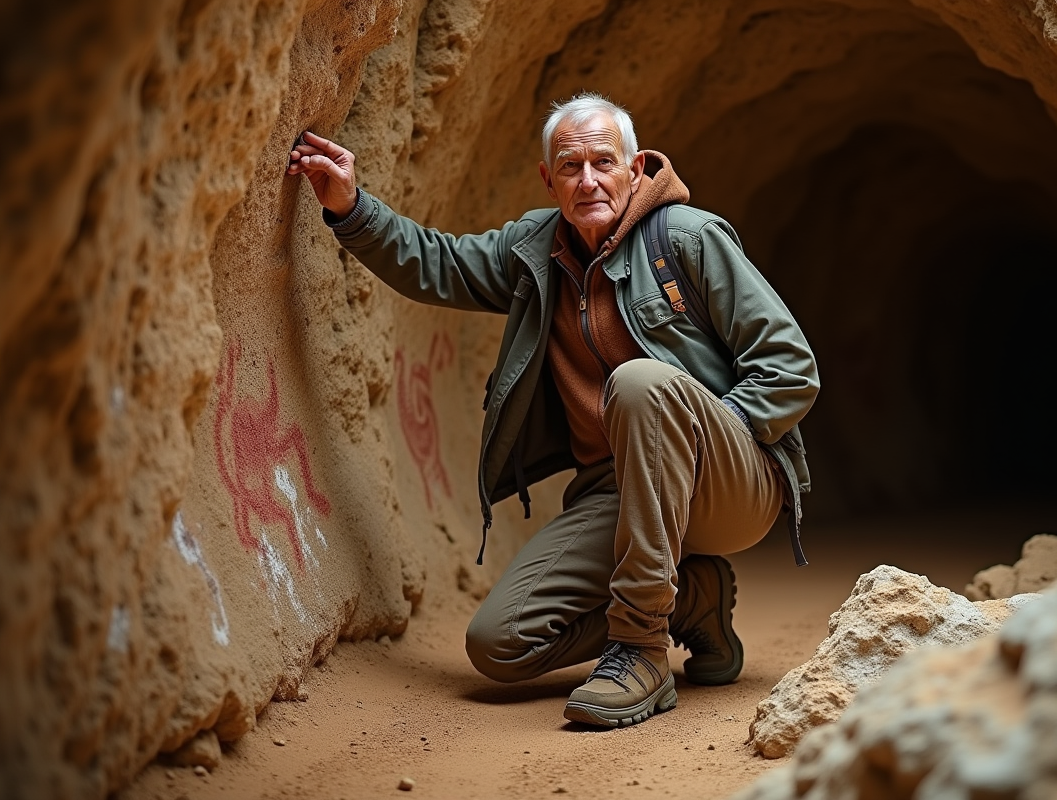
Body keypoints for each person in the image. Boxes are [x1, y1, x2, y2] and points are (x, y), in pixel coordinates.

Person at [286, 92, 818, 728]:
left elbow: (791, 368)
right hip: (615, 490)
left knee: (642, 383)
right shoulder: (535, 250)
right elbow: (439, 263)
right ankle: (692, 598)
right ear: (548, 178)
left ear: (635, 166)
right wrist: (349, 205)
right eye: (570, 166)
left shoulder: (688, 238)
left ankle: (640, 649)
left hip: (730, 482)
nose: (588, 179)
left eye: (604, 162)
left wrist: (710, 438)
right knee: (498, 644)